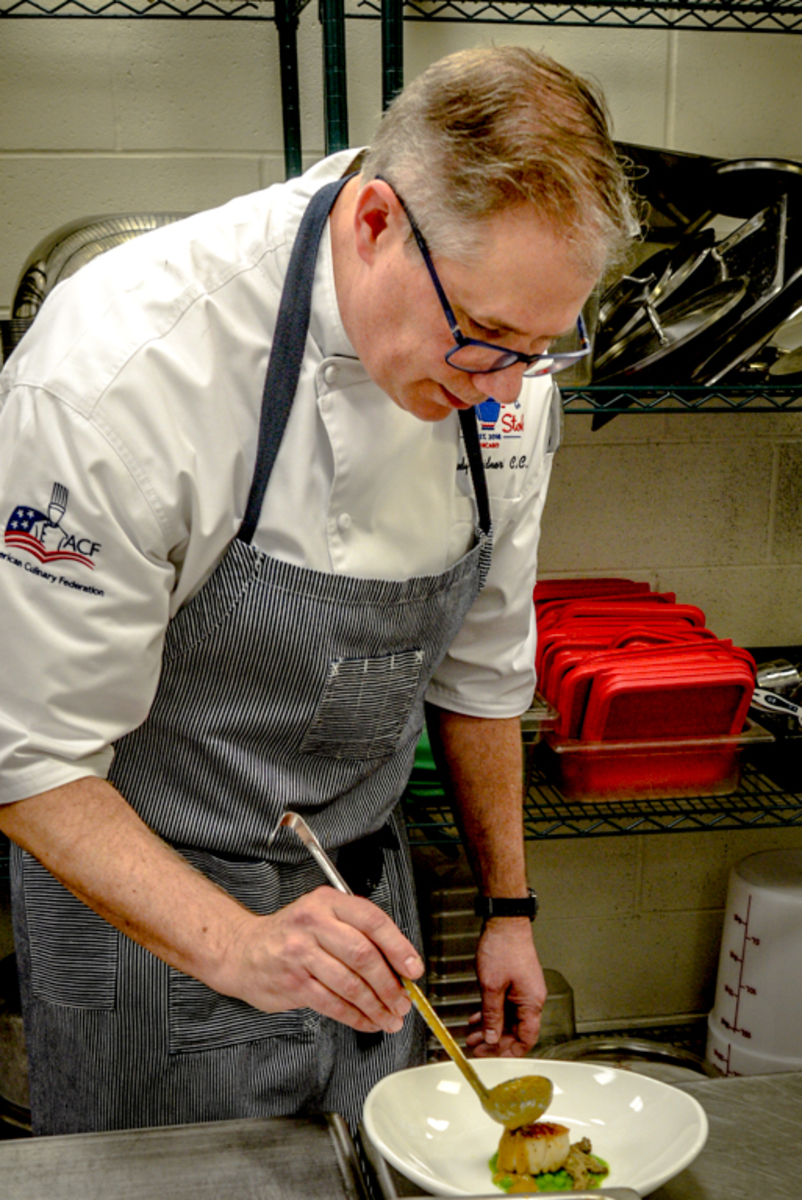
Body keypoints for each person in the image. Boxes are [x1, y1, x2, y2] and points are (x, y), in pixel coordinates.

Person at [0, 46, 635, 1135]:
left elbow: (484, 670)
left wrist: (507, 906)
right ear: (376, 220)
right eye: (484, 340)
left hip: (357, 905)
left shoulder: (504, 378)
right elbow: (29, 759)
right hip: (141, 924)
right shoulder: (120, 373)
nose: (503, 392)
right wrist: (241, 944)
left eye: (540, 350)